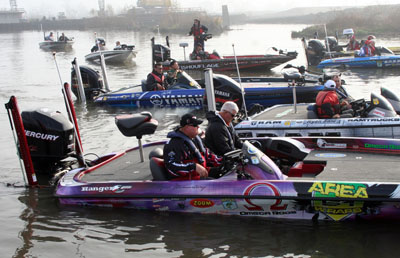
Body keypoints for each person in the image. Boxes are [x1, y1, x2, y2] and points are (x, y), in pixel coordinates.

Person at [163, 113, 222, 180]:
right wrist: (193, 167)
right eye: (195, 125)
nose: (198, 127)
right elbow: (172, 168)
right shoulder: (173, 144)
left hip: (197, 175)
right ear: (186, 127)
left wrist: (223, 161)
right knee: (215, 183)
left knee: (222, 172)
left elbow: (208, 156)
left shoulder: (195, 139)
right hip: (184, 183)